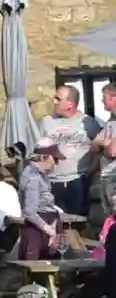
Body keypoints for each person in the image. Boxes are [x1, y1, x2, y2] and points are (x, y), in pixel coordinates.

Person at [38, 83, 100, 217]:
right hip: (52, 182)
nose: (54, 101)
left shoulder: (88, 122)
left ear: (70, 104)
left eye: (58, 99)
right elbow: (38, 150)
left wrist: (88, 173)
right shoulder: (47, 122)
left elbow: (99, 151)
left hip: (77, 182)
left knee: (77, 222)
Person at [19, 142, 63, 259]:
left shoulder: (42, 174)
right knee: (35, 267)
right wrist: (51, 232)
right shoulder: (33, 177)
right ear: (44, 157)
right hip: (37, 231)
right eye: (55, 159)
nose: (56, 163)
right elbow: (30, 212)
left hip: (46, 225)